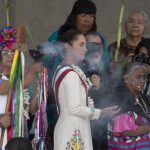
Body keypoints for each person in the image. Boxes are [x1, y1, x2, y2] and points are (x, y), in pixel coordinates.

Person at [52, 29, 119, 150]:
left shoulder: (62, 69)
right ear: (68, 47)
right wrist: (101, 112)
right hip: (74, 130)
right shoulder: (70, 74)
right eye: (81, 45)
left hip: (73, 126)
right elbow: (75, 108)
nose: (86, 49)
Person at [0, 26, 43, 147]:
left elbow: (31, 110)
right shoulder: (16, 81)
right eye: (6, 52)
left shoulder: (19, 79)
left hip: (18, 137)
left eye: (13, 52)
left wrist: (41, 87)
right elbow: (4, 89)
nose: (10, 55)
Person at [108, 62, 150, 150]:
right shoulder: (120, 98)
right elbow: (126, 131)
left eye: (144, 77)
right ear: (126, 78)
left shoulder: (144, 98)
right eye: (138, 77)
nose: (142, 81)